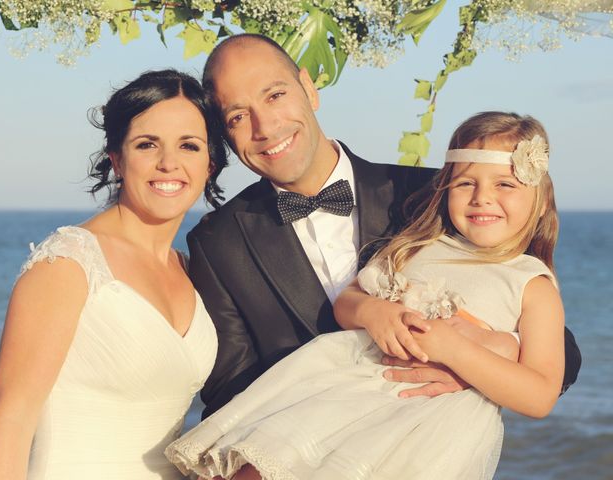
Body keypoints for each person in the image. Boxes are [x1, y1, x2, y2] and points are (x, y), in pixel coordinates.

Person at [185, 33, 581, 419]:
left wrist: (476, 359)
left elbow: (554, 343)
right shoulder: (217, 243)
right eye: (238, 116)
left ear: (308, 87)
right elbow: (229, 390)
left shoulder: (439, 196)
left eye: (275, 95)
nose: (265, 127)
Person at [166, 111, 565, 479]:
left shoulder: (533, 284)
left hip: (430, 427)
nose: (482, 197)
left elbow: (540, 393)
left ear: (540, 196)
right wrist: (372, 312)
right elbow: (349, 300)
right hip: (346, 388)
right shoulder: (418, 244)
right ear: (445, 188)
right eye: (465, 183)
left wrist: (461, 352)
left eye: (505, 184)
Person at [0, 69, 226, 480]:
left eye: (189, 145)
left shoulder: (189, 269)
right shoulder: (68, 265)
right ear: (117, 160)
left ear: (209, 164)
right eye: (147, 144)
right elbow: (11, 425)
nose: (169, 163)